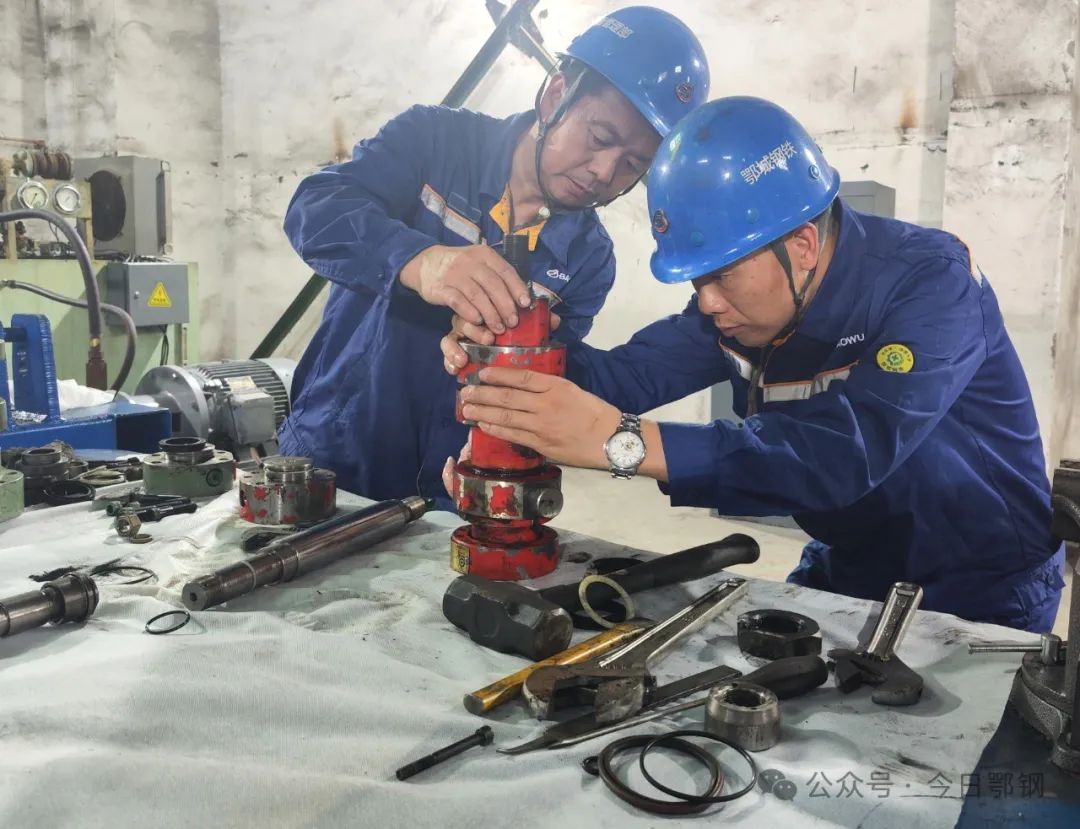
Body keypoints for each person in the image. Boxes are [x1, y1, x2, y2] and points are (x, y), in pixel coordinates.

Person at [441, 96, 1064, 633]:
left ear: (802, 245)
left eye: (722, 276)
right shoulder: (737, 311)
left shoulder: (932, 286)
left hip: (980, 581)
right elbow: (622, 378)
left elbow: (844, 454)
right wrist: (515, 359)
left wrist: (622, 443)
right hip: (850, 561)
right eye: (697, 280)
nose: (707, 302)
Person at [276, 6, 709, 506]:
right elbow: (315, 208)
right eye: (600, 138)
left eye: (632, 164)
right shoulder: (434, 141)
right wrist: (421, 261)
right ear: (555, 95)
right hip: (334, 458)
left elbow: (538, 385)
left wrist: (501, 441)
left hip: (452, 486)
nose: (604, 172)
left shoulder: (589, 260)